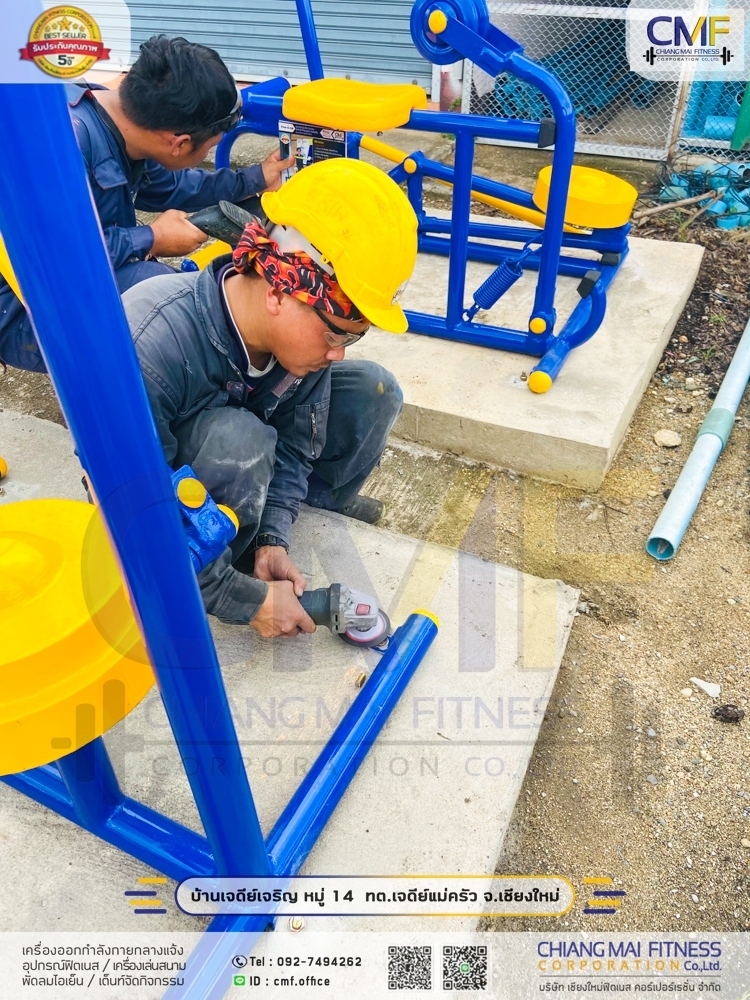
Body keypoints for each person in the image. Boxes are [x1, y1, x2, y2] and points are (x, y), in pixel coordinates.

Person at [122, 158, 417, 639]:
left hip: (238, 453)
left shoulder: (301, 348)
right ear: (279, 292)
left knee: (373, 390)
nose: (339, 353)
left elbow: (298, 443)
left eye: (353, 337)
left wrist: (272, 536)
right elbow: (129, 507)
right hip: (163, 485)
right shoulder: (149, 342)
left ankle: (278, 525)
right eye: (336, 334)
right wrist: (242, 600)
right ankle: (215, 563)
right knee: (243, 439)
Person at [0, 35, 292, 373]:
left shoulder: (119, 117)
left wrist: (255, 178)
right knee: (170, 304)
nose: (209, 153)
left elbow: (173, 186)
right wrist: (152, 238)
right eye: (209, 147)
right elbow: (56, 260)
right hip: (23, 311)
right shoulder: (63, 149)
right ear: (179, 143)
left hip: (67, 273)